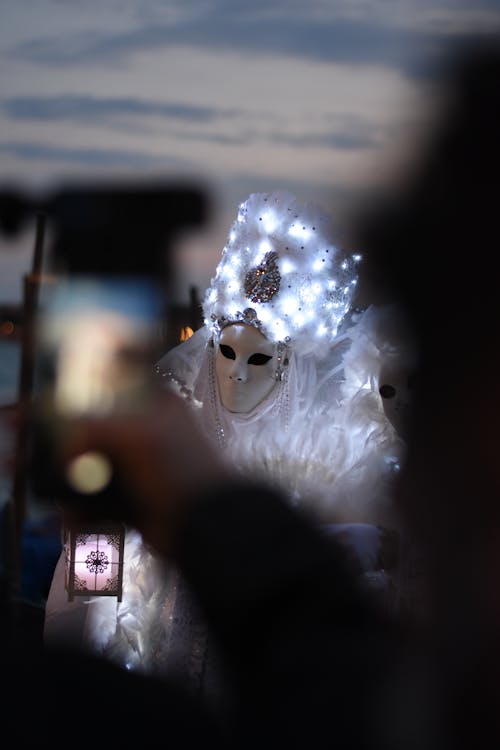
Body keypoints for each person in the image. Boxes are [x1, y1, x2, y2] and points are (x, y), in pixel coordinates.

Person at [43, 190, 410, 698]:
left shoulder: (330, 454)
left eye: (258, 359)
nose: (236, 371)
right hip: (152, 684)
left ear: (285, 362)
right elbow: (90, 571)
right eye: (227, 351)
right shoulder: (161, 428)